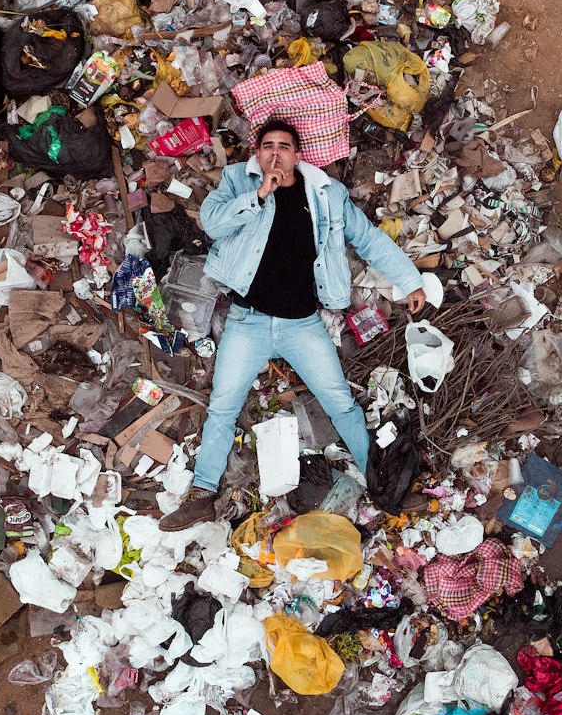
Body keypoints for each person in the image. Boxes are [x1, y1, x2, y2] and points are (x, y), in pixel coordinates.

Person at [160, 119, 426, 531]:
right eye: (268, 146)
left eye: (284, 146)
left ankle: (385, 486)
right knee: (222, 407)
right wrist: (259, 194)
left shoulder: (326, 194)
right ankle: (202, 494)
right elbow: (212, 223)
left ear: (297, 156)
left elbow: (368, 238)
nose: (276, 153)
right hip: (247, 322)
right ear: (257, 154)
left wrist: (410, 280)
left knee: (341, 404)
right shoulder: (237, 181)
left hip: (303, 325)